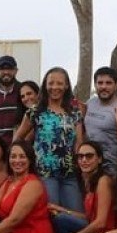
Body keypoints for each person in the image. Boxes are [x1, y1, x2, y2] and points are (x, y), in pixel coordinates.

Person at [13, 66, 85, 212]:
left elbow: (79, 142)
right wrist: (24, 159)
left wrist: (82, 166)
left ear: (66, 86)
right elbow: (18, 138)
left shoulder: (74, 112)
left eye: (59, 83)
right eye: (51, 83)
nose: (55, 87)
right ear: (45, 85)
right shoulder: (35, 112)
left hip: (69, 173)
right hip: (46, 174)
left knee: (77, 215)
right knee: (54, 214)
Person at [49, 141, 116, 233]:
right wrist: (60, 209)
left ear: (99, 159)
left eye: (89, 156)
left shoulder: (103, 181)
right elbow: (89, 217)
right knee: (60, 218)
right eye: (80, 157)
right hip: (93, 231)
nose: (84, 160)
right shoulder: (88, 180)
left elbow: (101, 222)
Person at [83, 67, 117, 175]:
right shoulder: (90, 103)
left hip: (112, 168)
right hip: (90, 165)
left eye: (108, 83)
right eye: (100, 83)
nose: (104, 87)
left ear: (116, 86)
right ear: (95, 85)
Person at [0, 55, 24, 148]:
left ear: (16, 71)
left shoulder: (23, 91)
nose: (6, 72)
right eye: (2, 69)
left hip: (21, 149)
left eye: (10, 69)